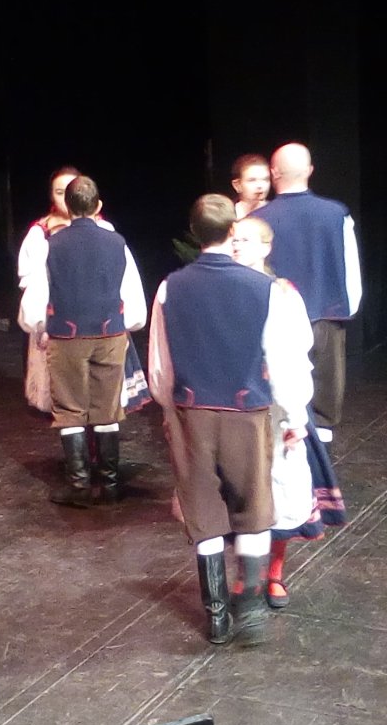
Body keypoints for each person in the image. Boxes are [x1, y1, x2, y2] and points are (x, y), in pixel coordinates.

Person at [148, 195, 313, 647]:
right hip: (247, 414)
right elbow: (282, 361)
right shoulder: (265, 290)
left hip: (193, 412)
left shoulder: (170, 288)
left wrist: (170, 407)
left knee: (203, 511)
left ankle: (217, 614)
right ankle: (251, 608)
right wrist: (294, 413)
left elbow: (161, 362)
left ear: (194, 231)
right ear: (232, 230)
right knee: (253, 507)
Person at [231, 215, 347, 608]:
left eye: (246, 239)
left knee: (281, 486)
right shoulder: (223, 289)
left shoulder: (282, 293)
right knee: (242, 488)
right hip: (237, 403)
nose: (237, 245)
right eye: (234, 238)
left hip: (278, 405)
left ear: (266, 247)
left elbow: (297, 352)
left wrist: (296, 413)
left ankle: (274, 574)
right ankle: (246, 574)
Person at [19, 175, 147, 506]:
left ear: (68, 205)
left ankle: (79, 485)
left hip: (68, 336)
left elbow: (35, 300)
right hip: (109, 335)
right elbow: (132, 295)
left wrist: (37, 325)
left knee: (70, 410)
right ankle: (110, 483)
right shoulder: (117, 242)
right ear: (98, 206)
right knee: (107, 408)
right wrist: (126, 324)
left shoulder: (51, 245)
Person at [16, 166, 149, 418]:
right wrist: (41, 323)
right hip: (59, 324)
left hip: (102, 324)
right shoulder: (42, 235)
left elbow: (122, 280)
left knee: (100, 397)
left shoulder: (107, 233)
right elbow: (32, 283)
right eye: (59, 192)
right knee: (69, 399)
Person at [260, 142, 362, 443]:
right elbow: (350, 264)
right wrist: (348, 307)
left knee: (280, 389)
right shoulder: (336, 214)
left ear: (273, 172)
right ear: (310, 171)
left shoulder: (258, 220)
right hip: (326, 313)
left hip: (275, 319)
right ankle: (322, 453)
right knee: (324, 404)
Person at [230, 153, 270, 219]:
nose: (260, 185)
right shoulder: (229, 215)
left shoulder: (276, 212)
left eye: (265, 179)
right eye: (252, 180)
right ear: (237, 185)